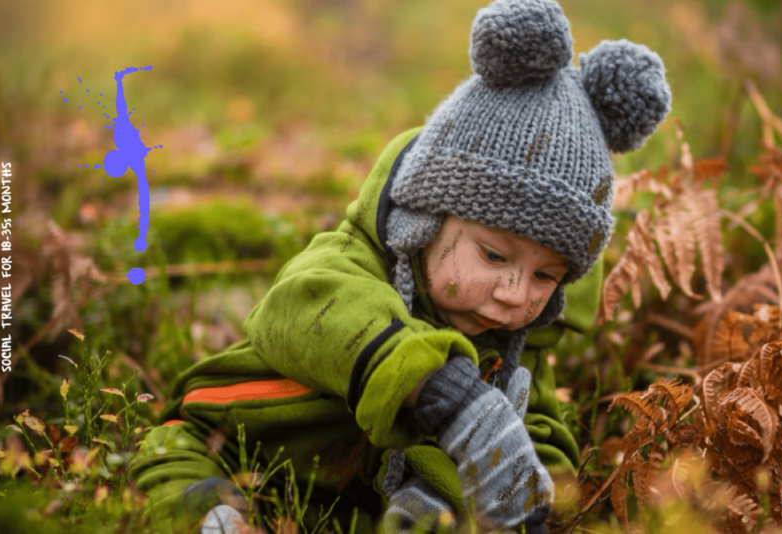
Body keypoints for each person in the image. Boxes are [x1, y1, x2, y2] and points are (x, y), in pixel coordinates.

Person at [126, 0, 670, 532]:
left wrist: (460, 490)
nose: (514, 293)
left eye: (545, 276)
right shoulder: (351, 263)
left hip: (340, 507)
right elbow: (302, 307)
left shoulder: (513, 345)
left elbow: (542, 439)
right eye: (494, 255)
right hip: (229, 441)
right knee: (178, 464)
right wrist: (442, 392)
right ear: (424, 220)